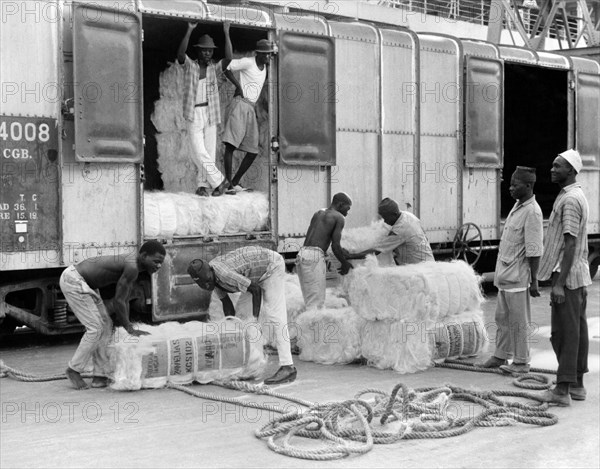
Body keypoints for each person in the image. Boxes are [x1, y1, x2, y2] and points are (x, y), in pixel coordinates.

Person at [60, 240, 166, 390]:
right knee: (95, 328)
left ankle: (100, 376)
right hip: (74, 280)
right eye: (156, 261)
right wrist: (129, 328)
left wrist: (129, 326)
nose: (158, 266)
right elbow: (118, 301)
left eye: (161, 263)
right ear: (143, 255)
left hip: (88, 285)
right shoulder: (132, 267)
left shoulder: (135, 267)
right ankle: (74, 369)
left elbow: (125, 300)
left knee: (105, 325)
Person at [187, 246, 296, 385]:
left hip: (271, 266)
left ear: (211, 271)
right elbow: (228, 308)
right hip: (253, 276)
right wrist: (228, 328)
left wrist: (255, 321)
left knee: (275, 315)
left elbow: (256, 290)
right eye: (203, 284)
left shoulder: (224, 274)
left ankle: (288, 367)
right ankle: (250, 364)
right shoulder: (212, 280)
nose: (207, 285)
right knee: (241, 318)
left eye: (208, 280)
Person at [537, 149, 592, 406]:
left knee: (564, 334)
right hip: (579, 276)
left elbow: (569, 245)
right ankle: (578, 386)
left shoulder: (569, 200)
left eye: (557, 166)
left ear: (570, 170)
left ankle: (562, 391)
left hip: (568, 277)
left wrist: (559, 284)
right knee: (578, 332)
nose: (552, 169)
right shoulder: (574, 195)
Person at [478, 167, 543, 374]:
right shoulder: (518, 206)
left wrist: (534, 280)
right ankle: (500, 356)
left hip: (518, 278)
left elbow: (534, 250)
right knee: (502, 319)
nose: (510, 188)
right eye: (511, 184)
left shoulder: (532, 212)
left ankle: (522, 362)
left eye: (515, 185)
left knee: (518, 322)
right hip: (505, 277)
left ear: (528, 185)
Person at [177, 22, 232, 197]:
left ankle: (203, 185)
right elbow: (179, 54)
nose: (207, 53)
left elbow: (229, 59)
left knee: (209, 152)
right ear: (198, 51)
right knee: (197, 151)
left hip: (210, 112)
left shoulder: (214, 69)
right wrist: (189, 30)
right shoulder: (190, 66)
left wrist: (226, 32)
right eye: (204, 50)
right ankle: (221, 182)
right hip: (194, 113)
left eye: (210, 51)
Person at [215, 38, 276, 195]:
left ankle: (234, 182)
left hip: (251, 108)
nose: (269, 57)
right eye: (266, 55)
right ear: (258, 54)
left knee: (253, 151)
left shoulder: (266, 68)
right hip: (240, 104)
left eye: (270, 55)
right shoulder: (248, 62)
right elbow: (225, 65)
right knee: (230, 145)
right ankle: (228, 183)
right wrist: (238, 86)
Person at [296, 192, 360, 310]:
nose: (348, 212)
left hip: (303, 254)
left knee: (310, 300)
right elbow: (335, 246)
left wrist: (324, 257)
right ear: (341, 205)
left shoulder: (319, 213)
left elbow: (316, 240)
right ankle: (313, 327)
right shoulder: (338, 217)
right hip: (314, 257)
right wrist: (344, 263)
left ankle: (310, 325)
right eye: (348, 208)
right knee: (316, 304)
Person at [372, 198, 434, 265]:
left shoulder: (400, 230)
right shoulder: (408, 216)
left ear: (394, 214)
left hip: (418, 268)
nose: (385, 221)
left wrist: (359, 253)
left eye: (386, 218)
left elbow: (377, 249)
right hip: (428, 262)